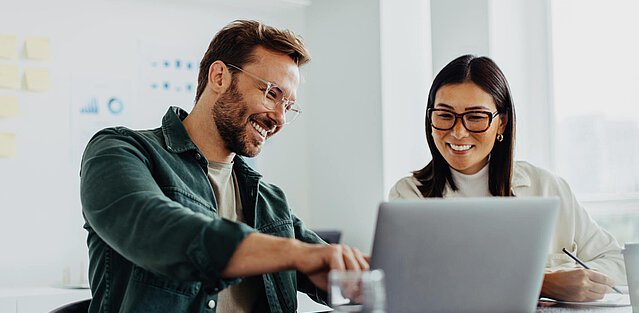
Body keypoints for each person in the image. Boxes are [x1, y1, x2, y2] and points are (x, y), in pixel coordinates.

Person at [80, 20, 368, 313]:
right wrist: (294, 253)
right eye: (271, 93)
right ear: (219, 77)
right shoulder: (121, 150)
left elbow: (328, 266)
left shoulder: (270, 201)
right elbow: (158, 229)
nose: (278, 118)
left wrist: (365, 277)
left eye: (288, 106)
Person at [389, 54, 625, 302]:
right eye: (445, 116)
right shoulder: (409, 196)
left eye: (476, 117)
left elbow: (617, 263)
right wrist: (542, 283)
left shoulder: (546, 187)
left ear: (501, 123)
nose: (458, 132)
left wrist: (576, 280)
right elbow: (412, 281)